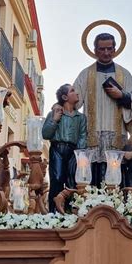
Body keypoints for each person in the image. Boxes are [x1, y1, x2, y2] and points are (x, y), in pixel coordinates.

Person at [73, 33, 132, 187]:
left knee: (116, 173)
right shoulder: (86, 74)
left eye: (109, 49)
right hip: (93, 132)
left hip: (117, 133)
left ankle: (117, 209)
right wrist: (61, 104)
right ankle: (92, 208)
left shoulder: (124, 74)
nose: (106, 52)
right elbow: (74, 100)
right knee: (93, 173)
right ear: (95, 50)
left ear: (115, 49)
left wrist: (122, 95)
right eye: (101, 49)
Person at [42, 84, 87, 213]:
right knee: (57, 179)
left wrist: (79, 154)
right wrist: (54, 120)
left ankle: (69, 211)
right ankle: (54, 212)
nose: (77, 93)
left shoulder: (81, 118)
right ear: (65, 97)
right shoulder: (55, 113)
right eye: (72, 91)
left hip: (74, 152)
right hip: (57, 149)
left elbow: (83, 136)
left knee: (72, 180)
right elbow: (45, 134)